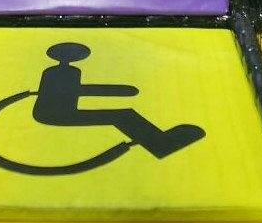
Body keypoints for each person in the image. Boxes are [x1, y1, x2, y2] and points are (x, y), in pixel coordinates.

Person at [32, 42, 205, 159]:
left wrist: (120, 91)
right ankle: (160, 144)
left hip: (56, 111)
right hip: (54, 114)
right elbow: (71, 91)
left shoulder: (62, 72)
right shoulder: (60, 73)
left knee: (123, 115)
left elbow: (74, 91)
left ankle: (158, 141)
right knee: (122, 116)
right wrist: (118, 91)